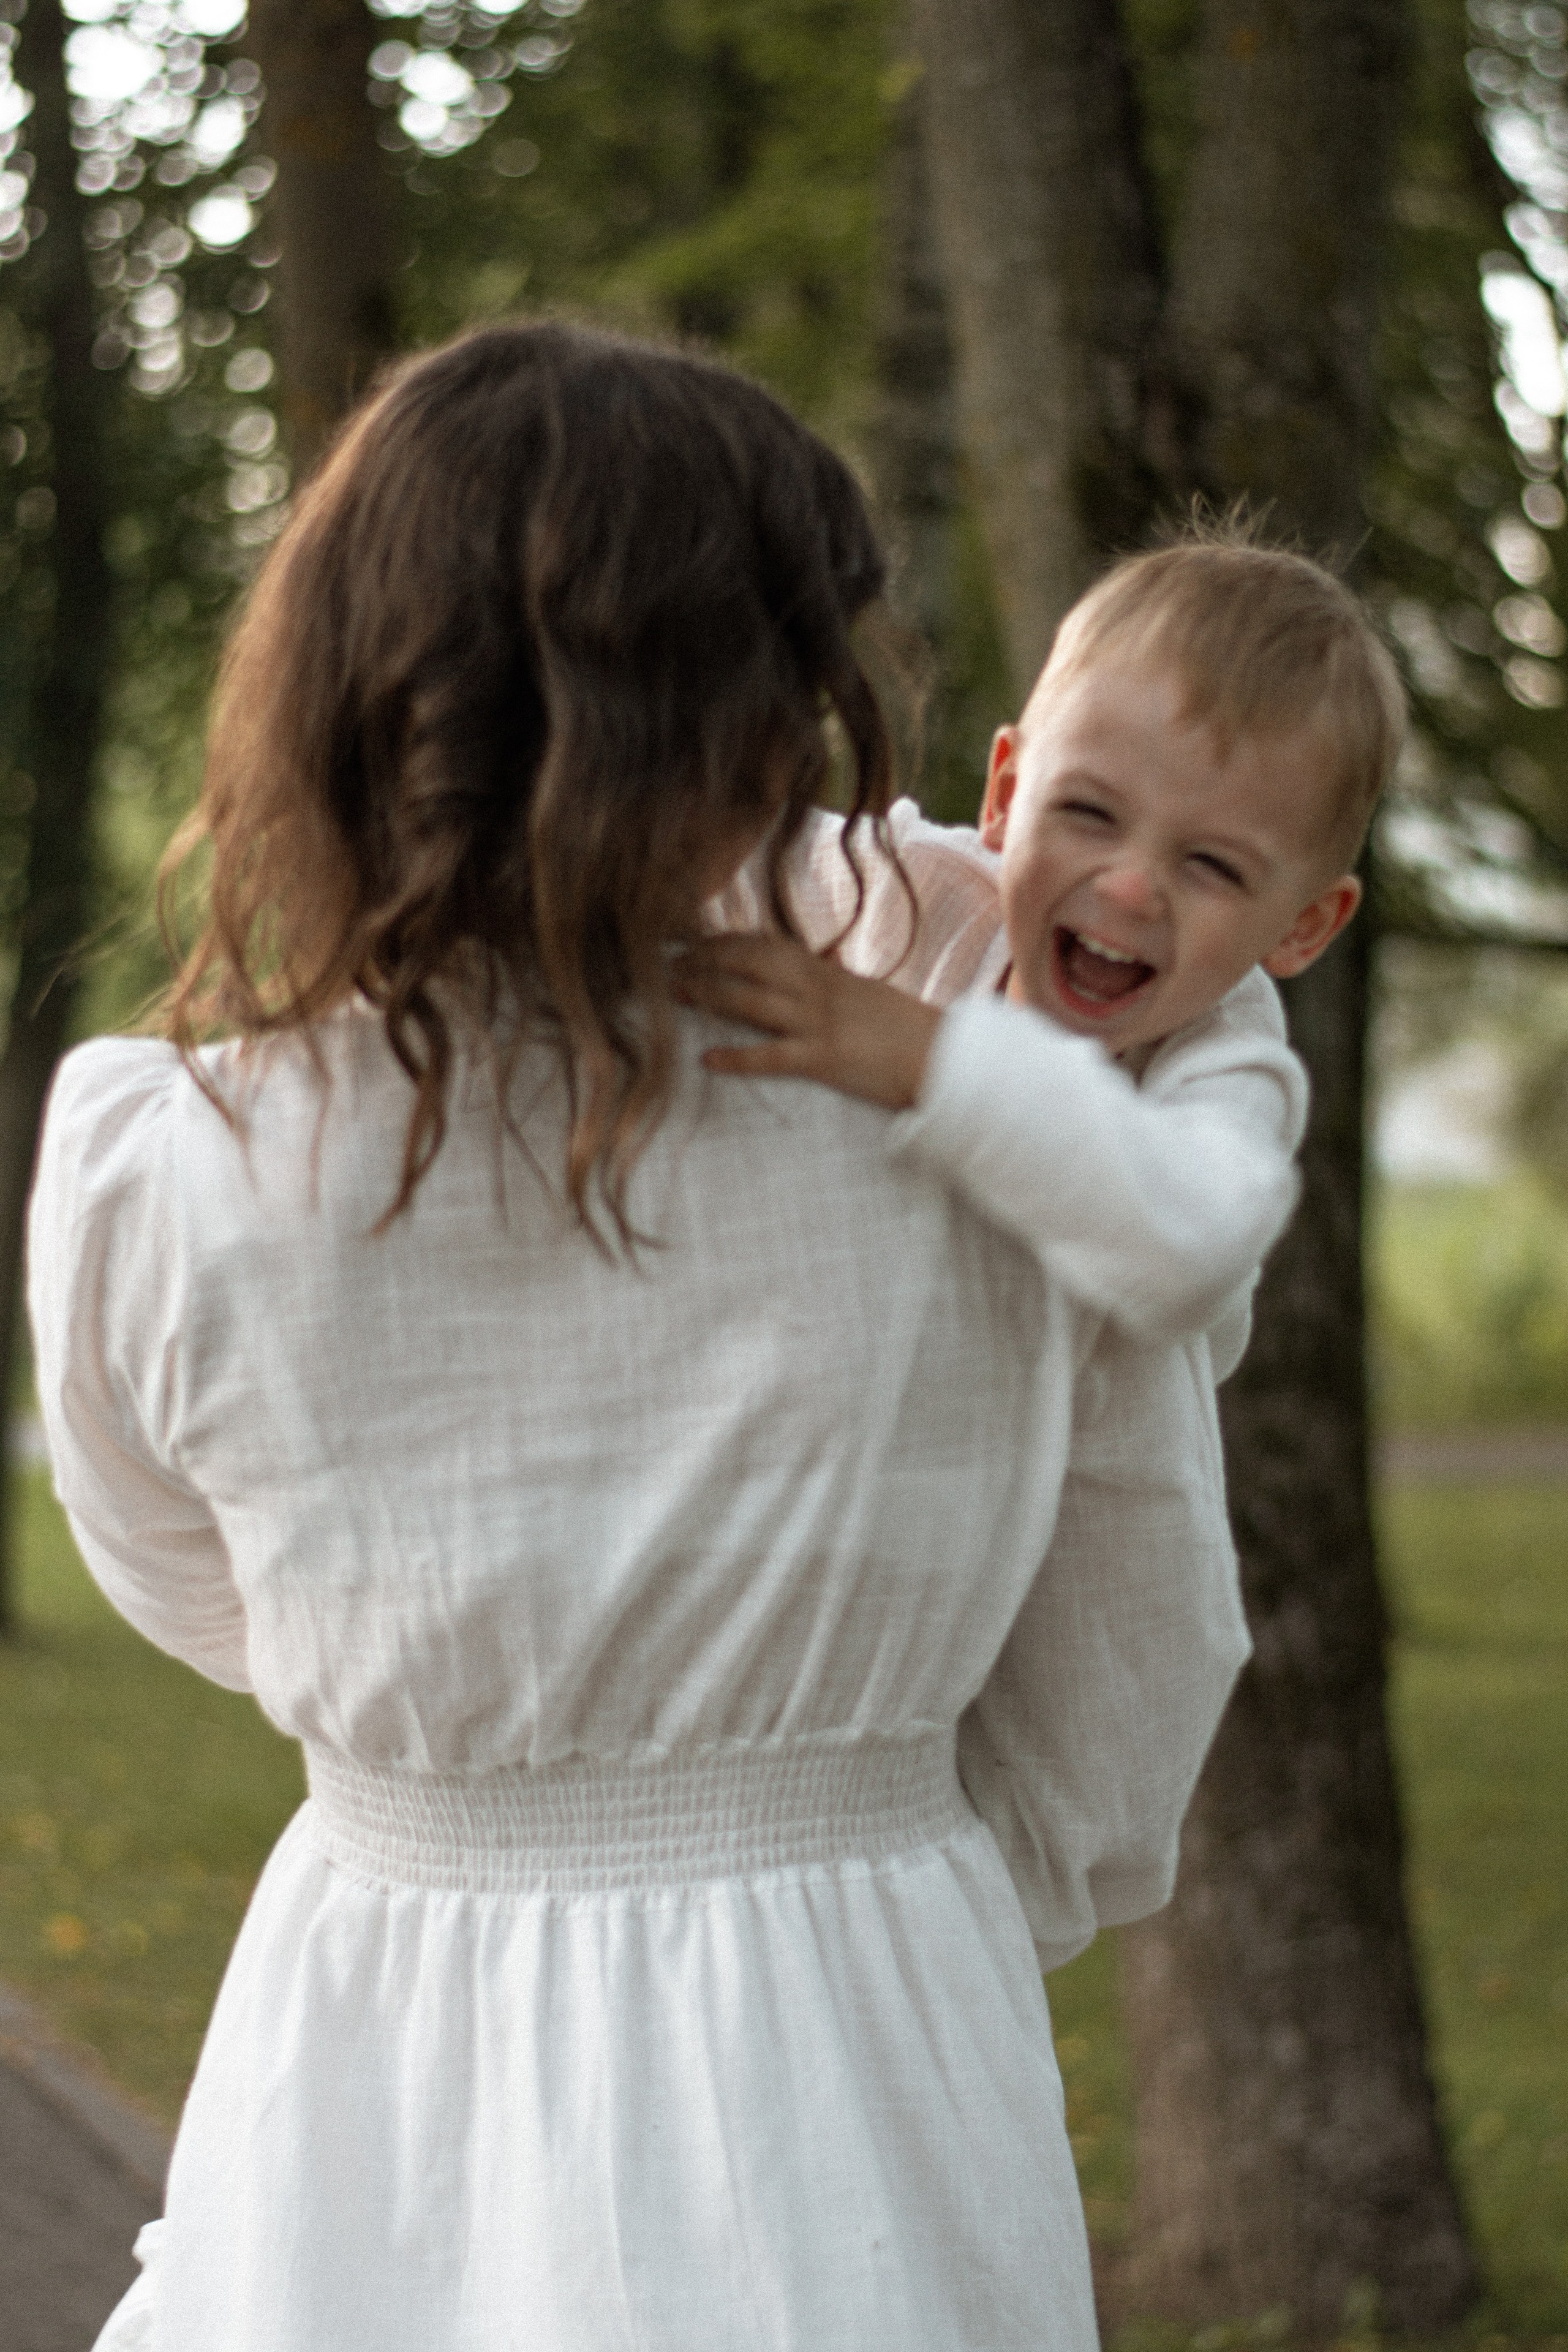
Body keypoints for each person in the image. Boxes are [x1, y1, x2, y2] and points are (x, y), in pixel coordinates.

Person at [31, 325, 1246, 2352]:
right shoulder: (994, 1129)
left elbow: (172, 1560)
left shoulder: (172, 1161)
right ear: (773, 711)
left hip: (383, 2025)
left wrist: (467, 1737)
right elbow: (1139, 1638)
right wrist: (888, 1872)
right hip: (864, 2036)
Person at [685, 534, 1403, 1957]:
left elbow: (1189, 1239)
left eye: (1209, 866)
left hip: (1089, 1465)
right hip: (884, 1440)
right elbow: (708, 873)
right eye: (1087, 815)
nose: (1129, 890)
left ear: (1301, 928)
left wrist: (928, 1060)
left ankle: (999, 1908)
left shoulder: (1223, 1061)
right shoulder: (914, 895)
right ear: (1005, 789)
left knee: (1125, 1676)